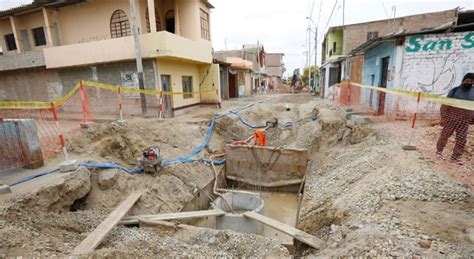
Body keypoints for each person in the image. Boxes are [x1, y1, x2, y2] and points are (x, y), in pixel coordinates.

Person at [436, 73, 474, 164]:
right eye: (468, 81)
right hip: (451, 118)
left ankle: (456, 157)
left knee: (461, 139)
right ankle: (439, 151)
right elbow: (446, 104)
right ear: (463, 81)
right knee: (444, 136)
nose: (469, 83)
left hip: (465, 120)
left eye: (472, 82)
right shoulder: (455, 90)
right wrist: (443, 117)